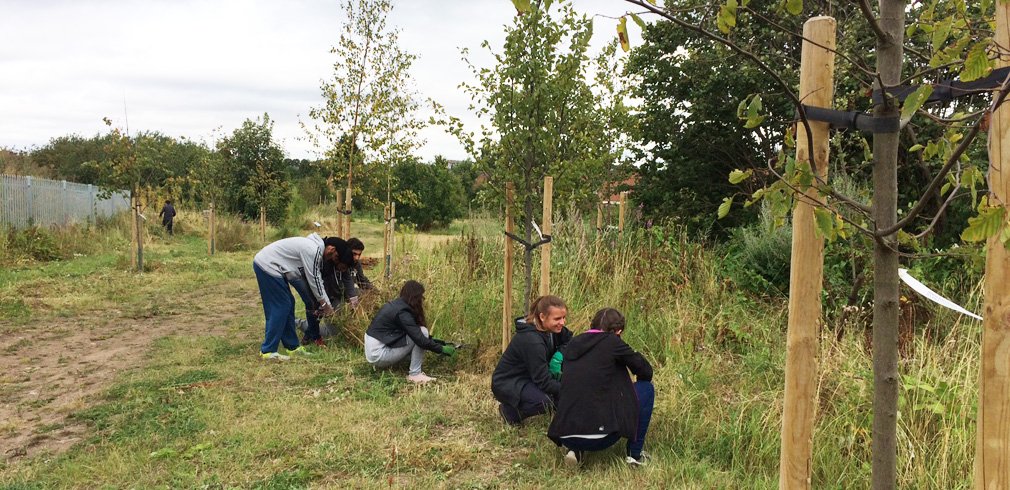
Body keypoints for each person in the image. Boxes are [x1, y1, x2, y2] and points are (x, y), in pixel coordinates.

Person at [547, 308, 654, 467]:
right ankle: (635, 455)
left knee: (583, 389)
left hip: (565, 434)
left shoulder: (573, 344)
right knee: (646, 389)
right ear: (618, 331)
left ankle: (575, 449)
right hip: (603, 437)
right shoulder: (612, 342)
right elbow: (646, 372)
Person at [253, 233, 354, 360]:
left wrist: (316, 302)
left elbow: (299, 278)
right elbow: (315, 280)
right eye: (335, 256)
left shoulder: (313, 248)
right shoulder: (313, 251)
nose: (332, 260)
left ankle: (292, 347)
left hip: (275, 267)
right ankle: (268, 351)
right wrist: (326, 306)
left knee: (289, 303)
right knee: (281, 306)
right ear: (331, 249)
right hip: (267, 265)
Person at [491, 295, 573, 426]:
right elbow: (544, 382)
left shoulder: (552, 329)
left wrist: (559, 354)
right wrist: (570, 389)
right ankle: (510, 412)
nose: (562, 323)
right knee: (547, 402)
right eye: (557, 319)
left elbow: (570, 342)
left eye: (563, 318)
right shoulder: (532, 341)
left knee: (560, 396)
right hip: (508, 382)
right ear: (542, 317)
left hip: (531, 377)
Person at [363, 280, 456, 383]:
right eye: (421, 297)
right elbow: (419, 339)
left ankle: (411, 368)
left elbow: (412, 333)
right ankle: (415, 375)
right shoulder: (403, 313)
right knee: (423, 331)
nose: (422, 300)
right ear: (415, 297)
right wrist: (442, 349)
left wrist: (438, 342)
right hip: (379, 354)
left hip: (374, 351)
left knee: (421, 334)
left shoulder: (397, 305)